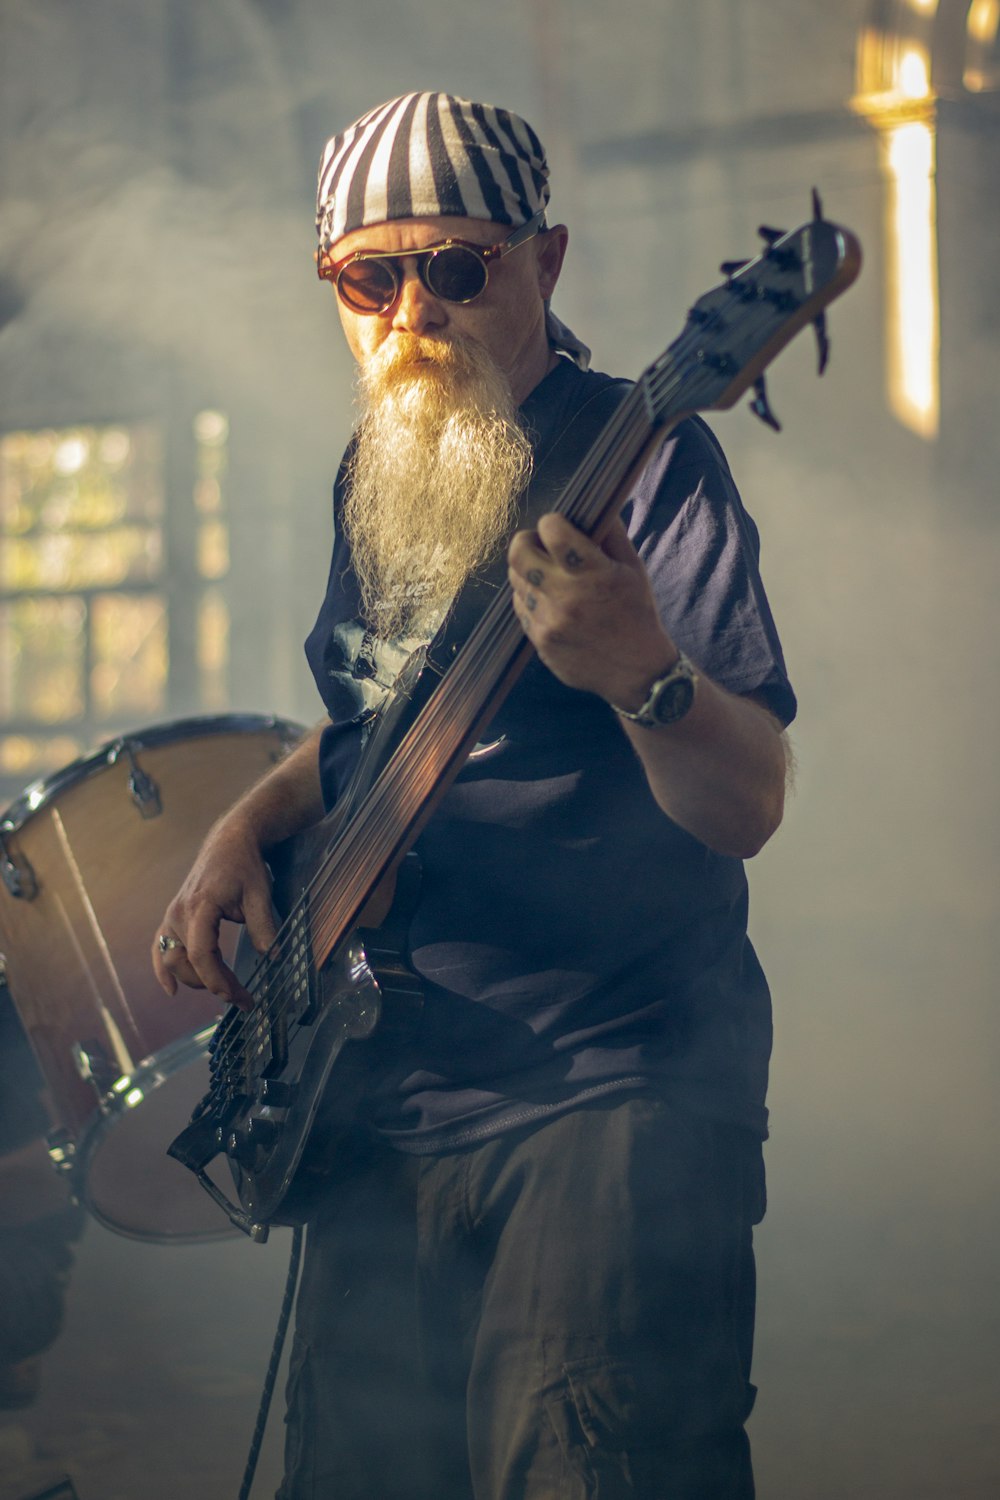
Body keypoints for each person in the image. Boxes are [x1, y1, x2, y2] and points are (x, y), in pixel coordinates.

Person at [153, 92, 795, 1500]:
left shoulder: (650, 462)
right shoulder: (373, 472)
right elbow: (370, 735)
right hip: (378, 1101)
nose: (410, 310)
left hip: (604, 1093)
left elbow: (749, 801)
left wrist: (646, 677)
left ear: (543, 265)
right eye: (369, 277)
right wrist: (247, 825)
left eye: (456, 266)